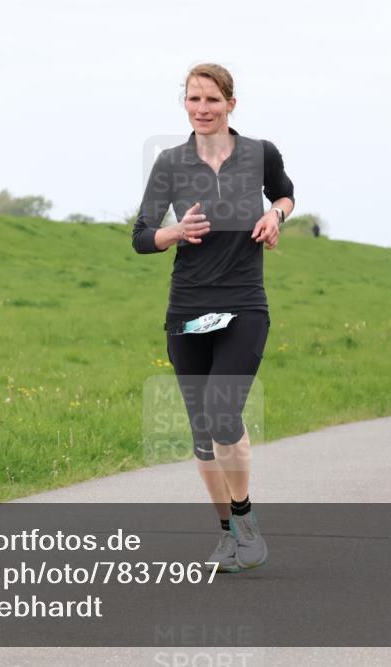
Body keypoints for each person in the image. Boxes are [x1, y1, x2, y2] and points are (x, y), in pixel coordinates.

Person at [132, 63, 294, 572]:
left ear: (231, 103)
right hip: (188, 306)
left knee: (224, 415)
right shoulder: (171, 163)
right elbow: (141, 236)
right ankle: (227, 533)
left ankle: (246, 523)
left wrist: (276, 215)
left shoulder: (260, 153)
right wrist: (174, 233)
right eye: (193, 100)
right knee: (203, 431)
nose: (202, 109)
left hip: (244, 301)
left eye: (212, 100)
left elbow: (285, 193)